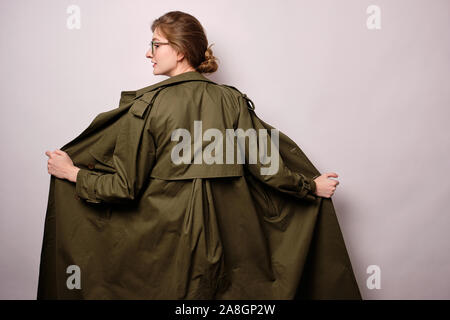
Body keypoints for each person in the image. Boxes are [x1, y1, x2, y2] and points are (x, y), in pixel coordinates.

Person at [39, 11, 359, 299]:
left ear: (179, 50)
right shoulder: (232, 102)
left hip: (161, 256)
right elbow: (269, 169)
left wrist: (73, 173)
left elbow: (123, 189)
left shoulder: (146, 108)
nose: (148, 53)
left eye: (156, 44)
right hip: (228, 255)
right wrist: (310, 187)